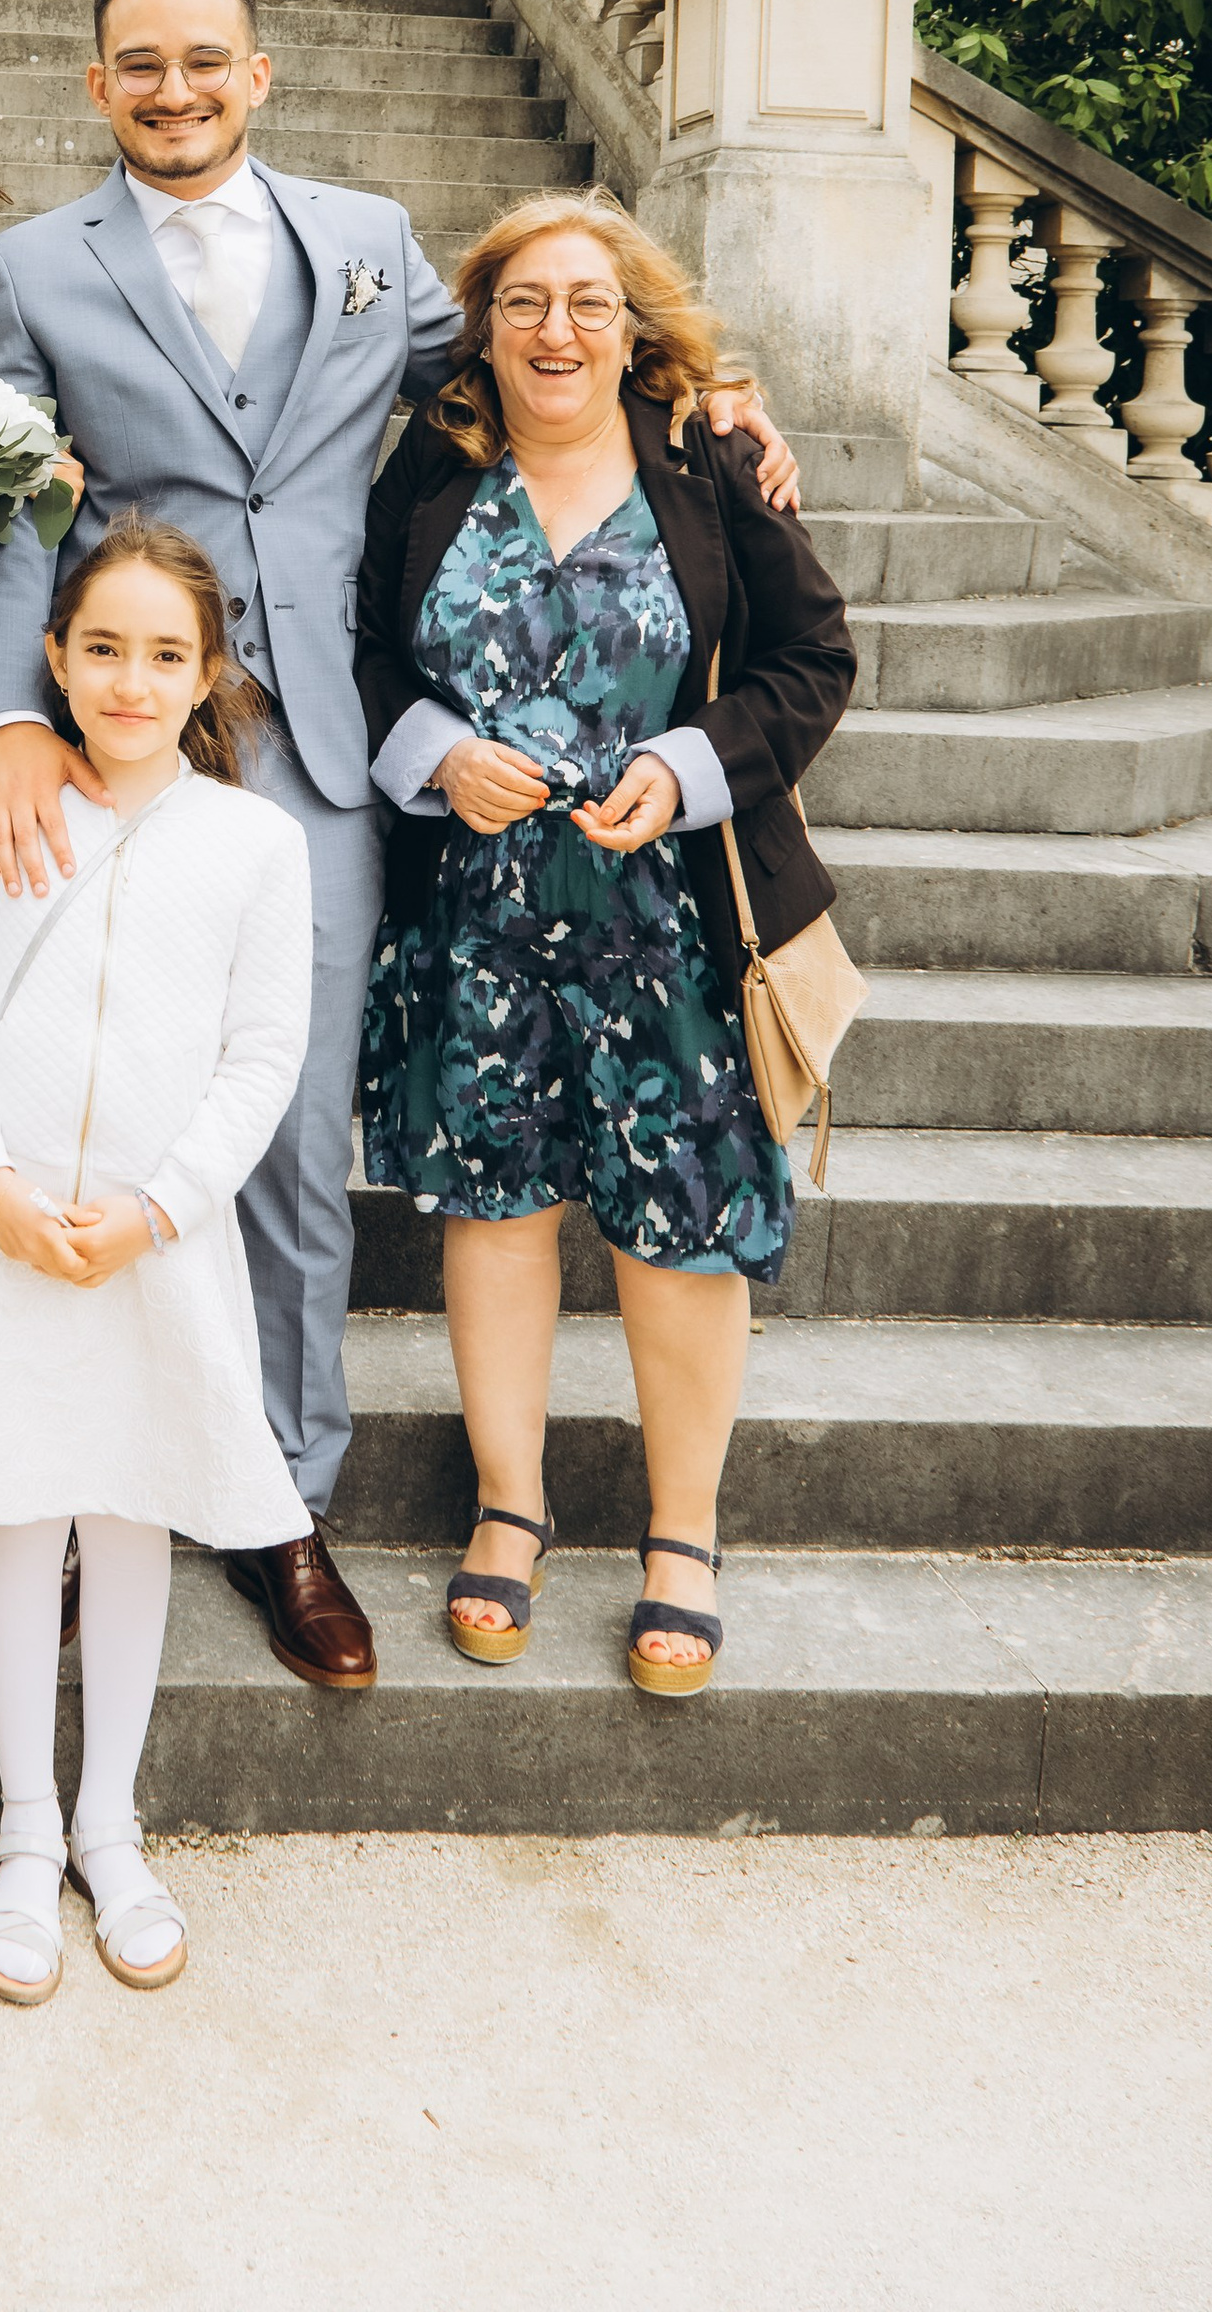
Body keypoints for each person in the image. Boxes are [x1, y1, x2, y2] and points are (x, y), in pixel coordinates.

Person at [0, 0, 800, 1694]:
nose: (175, 89)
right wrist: (13, 721)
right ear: (97, 85)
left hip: (330, 759)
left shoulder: (364, 243)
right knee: (78, 1103)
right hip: (129, 731)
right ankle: (69, 1494)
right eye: (139, 63)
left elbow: (532, 356)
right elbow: (19, 509)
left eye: (206, 58)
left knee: (291, 1129)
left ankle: (282, 1498)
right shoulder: (32, 268)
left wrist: (707, 389)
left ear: (259, 75)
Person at [354, 188, 854, 1695]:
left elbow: (812, 657)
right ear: (484, 327)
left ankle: (682, 1537)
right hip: (481, 922)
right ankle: (508, 1509)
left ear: (632, 326)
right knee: (495, 1210)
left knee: (682, 1226)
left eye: (587, 301)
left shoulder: (709, 459)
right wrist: (439, 753)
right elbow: (364, 647)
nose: (555, 329)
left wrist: (690, 768)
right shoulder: (436, 462)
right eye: (524, 302)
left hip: (674, 923)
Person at [0, 519, 312, 2003]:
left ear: (207, 676)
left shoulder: (256, 846)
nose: (133, 682)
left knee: (133, 1515)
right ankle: (23, 1832)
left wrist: (160, 1208)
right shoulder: (8, 817)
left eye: (165, 655)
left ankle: (109, 1827)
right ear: (56, 661)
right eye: (104, 649)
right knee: (17, 1514)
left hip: (156, 1247)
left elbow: (263, 1056)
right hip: (13, 1235)